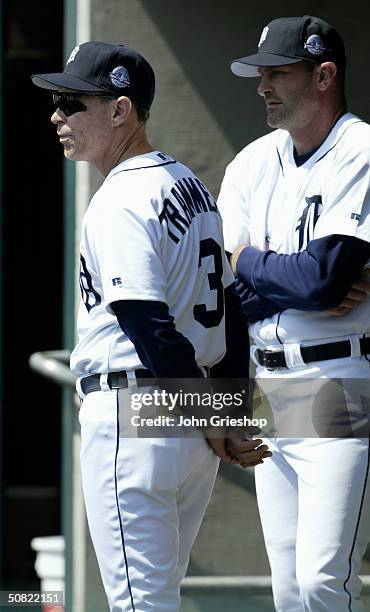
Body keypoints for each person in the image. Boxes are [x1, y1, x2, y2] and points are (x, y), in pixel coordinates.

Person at [32, 42, 270, 611]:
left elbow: (148, 323)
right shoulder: (191, 184)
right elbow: (232, 310)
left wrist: (212, 419)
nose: (55, 116)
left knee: (141, 604)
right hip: (183, 420)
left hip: (137, 410)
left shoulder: (121, 198)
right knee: (155, 598)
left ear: (120, 110)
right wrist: (226, 414)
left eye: (71, 102)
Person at [217, 15, 370, 612]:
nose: (263, 87)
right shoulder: (252, 161)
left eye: (278, 72)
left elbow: (323, 277)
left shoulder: (359, 149)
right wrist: (293, 279)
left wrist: (252, 261)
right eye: (261, 74)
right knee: (287, 588)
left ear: (324, 74)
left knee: (322, 582)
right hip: (266, 383)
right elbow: (233, 293)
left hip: (338, 380)